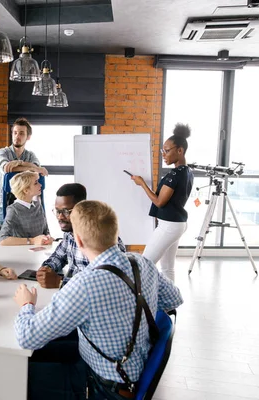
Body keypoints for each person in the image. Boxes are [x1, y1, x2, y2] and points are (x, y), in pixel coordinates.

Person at [13, 200, 183, 399]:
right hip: (132, 369)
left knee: (22, 373)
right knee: (50, 348)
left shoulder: (84, 284)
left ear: (79, 240)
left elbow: (26, 337)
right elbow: (174, 299)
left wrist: (26, 304)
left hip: (102, 386)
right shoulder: (142, 262)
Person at [131, 123, 193, 281]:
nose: (163, 155)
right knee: (167, 268)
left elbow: (159, 202)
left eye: (167, 150)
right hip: (177, 223)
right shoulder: (187, 171)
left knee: (144, 263)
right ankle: (170, 304)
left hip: (170, 225)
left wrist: (142, 184)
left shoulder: (175, 174)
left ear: (180, 150)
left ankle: (141, 302)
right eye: (162, 151)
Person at [37, 183, 126, 288]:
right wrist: (46, 269)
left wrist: (60, 282)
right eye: (58, 211)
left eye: (66, 211)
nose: (60, 217)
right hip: (72, 293)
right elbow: (58, 256)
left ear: (81, 209)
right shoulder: (69, 233)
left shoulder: (99, 237)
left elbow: (103, 284)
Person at [0, 117, 48, 225]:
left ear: (28, 137)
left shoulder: (30, 155)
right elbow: (7, 170)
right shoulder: (2, 153)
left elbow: (36, 172)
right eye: (15, 133)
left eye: (21, 134)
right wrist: (31, 167)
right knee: (3, 239)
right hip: (4, 205)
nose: (17, 137)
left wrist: (19, 163)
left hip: (26, 205)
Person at [0, 171, 53, 246]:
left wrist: (48, 238)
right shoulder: (13, 210)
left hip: (40, 251)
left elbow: (45, 232)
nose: (40, 185)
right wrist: (32, 241)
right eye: (36, 183)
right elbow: (3, 240)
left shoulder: (38, 205)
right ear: (26, 190)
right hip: (22, 253)